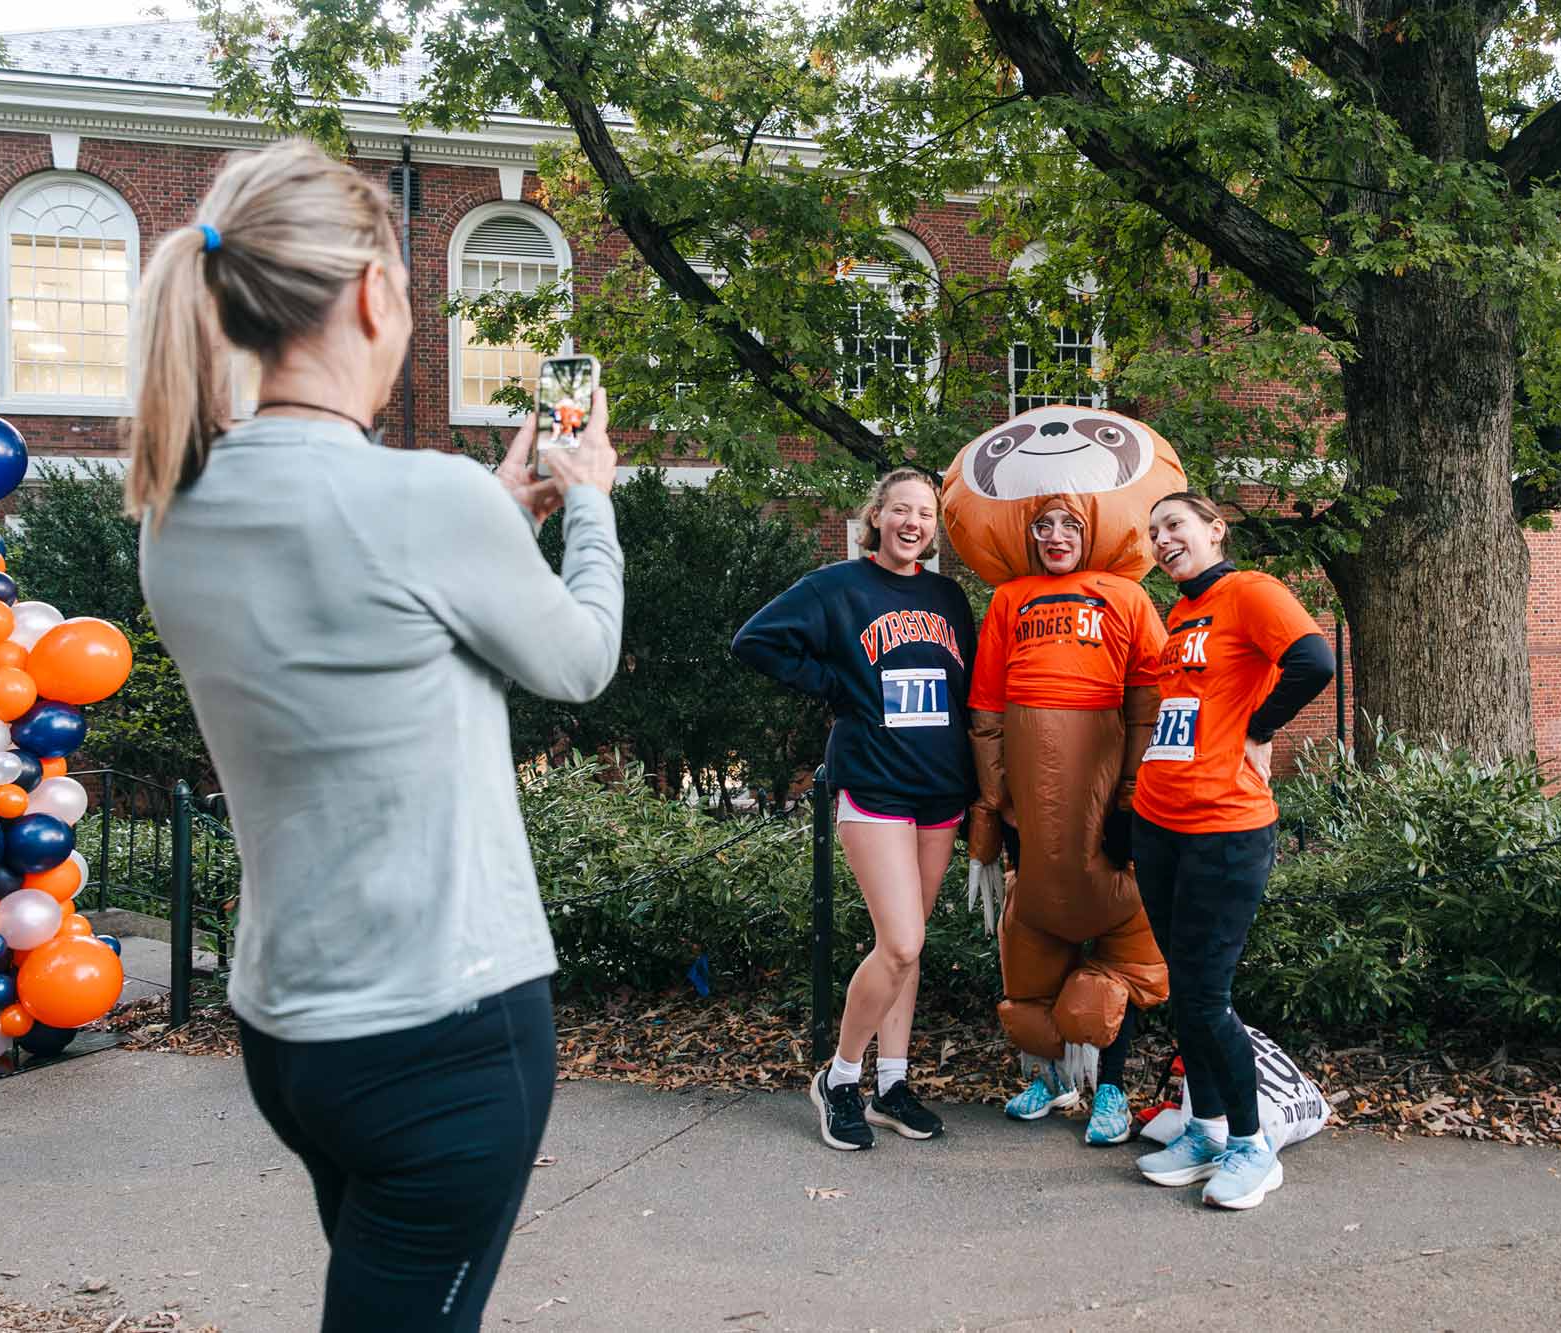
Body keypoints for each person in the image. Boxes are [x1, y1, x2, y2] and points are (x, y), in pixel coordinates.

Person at [129, 140, 624, 1329]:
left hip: (291, 1033)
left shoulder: (173, 509)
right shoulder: (424, 501)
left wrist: (495, 514)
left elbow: (344, 595)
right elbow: (580, 660)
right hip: (443, 1036)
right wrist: (589, 497)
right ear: (370, 293)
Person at [732, 468, 977, 1151]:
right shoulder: (837, 587)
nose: (913, 523)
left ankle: (892, 1082)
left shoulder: (948, 597)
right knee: (899, 940)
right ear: (877, 516)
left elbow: (969, 693)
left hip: (939, 788)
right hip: (874, 783)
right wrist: (837, 684)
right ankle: (840, 1078)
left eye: (925, 514)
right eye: (901, 510)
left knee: (910, 947)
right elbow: (755, 640)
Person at [1129, 492, 1334, 1210]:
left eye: (1175, 525)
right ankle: (1208, 1125)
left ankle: (1253, 1143)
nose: (1163, 539)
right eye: (1154, 532)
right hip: (1158, 821)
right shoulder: (1181, 612)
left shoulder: (1250, 592)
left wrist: (1259, 726)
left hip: (1226, 825)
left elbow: (1313, 660)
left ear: (1216, 529)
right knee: (1183, 985)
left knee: (1207, 993)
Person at [965, 502, 1170, 1145]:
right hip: (1036, 810)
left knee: (1122, 945)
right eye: (1043, 526)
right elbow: (987, 708)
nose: (1056, 537)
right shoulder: (1010, 600)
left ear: (1094, 533)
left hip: (1105, 803)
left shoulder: (1129, 597)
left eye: (1070, 526)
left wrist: (1134, 799)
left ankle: (1109, 1086)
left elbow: (1154, 701)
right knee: (1029, 949)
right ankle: (1048, 1078)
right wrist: (995, 811)